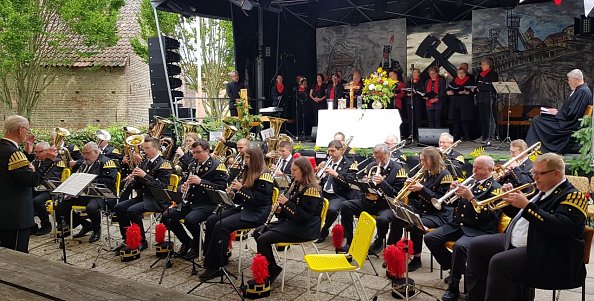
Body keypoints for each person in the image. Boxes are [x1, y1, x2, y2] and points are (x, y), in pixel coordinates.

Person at [465, 153, 587, 301]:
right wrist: (510, 202)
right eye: (533, 172)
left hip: (549, 252)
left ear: (556, 174)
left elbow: (559, 227)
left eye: (539, 173)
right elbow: (522, 215)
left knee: (500, 262)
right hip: (524, 241)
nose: (534, 177)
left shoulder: (574, 196)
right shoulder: (539, 190)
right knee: (476, 246)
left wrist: (527, 206)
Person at [424, 155, 502, 301]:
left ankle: (453, 287)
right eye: (474, 167)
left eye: (479, 168)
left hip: (479, 228)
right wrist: (452, 191)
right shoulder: (471, 182)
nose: (474, 170)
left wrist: (471, 197)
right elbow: (453, 205)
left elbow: (490, 216)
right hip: (459, 224)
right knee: (430, 238)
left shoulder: (496, 189)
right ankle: (457, 268)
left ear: (490, 169)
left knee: (460, 247)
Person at [200, 147, 274, 280]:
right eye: (245, 157)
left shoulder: (265, 175)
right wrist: (233, 193)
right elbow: (241, 198)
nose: (245, 160)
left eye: (247, 158)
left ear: (255, 158)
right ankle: (213, 257)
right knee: (212, 219)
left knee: (221, 226)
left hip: (257, 213)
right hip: (245, 208)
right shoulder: (248, 171)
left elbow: (260, 200)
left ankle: (216, 266)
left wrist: (242, 189)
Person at [254, 156, 324, 284]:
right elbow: (293, 212)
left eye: (294, 170)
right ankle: (271, 266)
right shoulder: (297, 184)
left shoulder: (312, 189)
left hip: (305, 228)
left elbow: (305, 217)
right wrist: (280, 210)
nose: (292, 173)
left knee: (263, 239)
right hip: (294, 222)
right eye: (291, 170)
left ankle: (270, 271)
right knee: (258, 232)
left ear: (304, 170)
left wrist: (286, 204)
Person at [161, 140, 228, 260]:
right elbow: (183, 181)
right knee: (167, 216)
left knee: (190, 220)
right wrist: (182, 187)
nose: (195, 155)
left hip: (208, 203)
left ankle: (198, 246)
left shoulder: (218, 166)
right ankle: (187, 242)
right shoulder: (193, 164)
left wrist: (201, 182)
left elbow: (221, 188)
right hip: (191, 201)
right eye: (193, 153)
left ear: (207, 151)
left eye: (198, 152)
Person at [390, 147, 454, 271]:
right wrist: (410, 188)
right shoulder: (426, 173)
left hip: (439, 215)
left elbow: (442, 202)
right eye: (420, 160)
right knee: (397, 217)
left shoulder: (445, 175)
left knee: (415, 224)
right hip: (425, 211)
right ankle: (392, 252)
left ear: (433, 160)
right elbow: (418, 196)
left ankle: (417, 258)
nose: (421, 163)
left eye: (423, 160)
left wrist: (422, 189)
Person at [0, 115, 58, 252]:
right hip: (15, 216)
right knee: (16, 254)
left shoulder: (5, 149)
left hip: (3, 213)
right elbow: (33, 180)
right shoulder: (13, 153)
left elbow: (12, 171)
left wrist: (27, 153)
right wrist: (49, 160)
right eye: (27, 129)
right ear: (20, 130)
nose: (28, 133)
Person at [340, 144, 406, 255]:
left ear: (388, 154)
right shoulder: (371, 166)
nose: (378, 161)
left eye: (381, 158)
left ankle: (379, 241)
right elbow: (362, 187)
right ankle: (349, 241)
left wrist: (383, 183)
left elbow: (397, 194)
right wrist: (364, 184)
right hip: (369, 201)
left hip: (386, 204)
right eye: (376, 158)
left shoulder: (398, 170)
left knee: (382, 219)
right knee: (346, 205)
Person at [114, 136, 173, 252]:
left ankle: (141, 241)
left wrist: (144, 176)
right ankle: (127, 238)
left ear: (156, 148)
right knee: (119, 207)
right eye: (143, 148)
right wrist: (131, 180)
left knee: (132, 210)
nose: (144, 151)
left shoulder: (164, 164)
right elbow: (139, 184)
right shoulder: (144, 163)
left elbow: (161, 187)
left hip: (157, 200)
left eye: (147, 148)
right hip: (144, 197)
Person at [59, 142, 118, 243]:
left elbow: (109, 181)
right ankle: (86, 224)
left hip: (101, 195)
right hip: (84, 194)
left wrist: (89, 180)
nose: (85, 156)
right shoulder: (83, 163)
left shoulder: (107, 162)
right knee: (61, 205)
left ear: (96, 152)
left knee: (91, 208)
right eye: (84, 153)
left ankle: (96, 230)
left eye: (87, 153)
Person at [526, 69, 592, 154]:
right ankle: (535, 147)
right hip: (566, 119)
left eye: (570, 80)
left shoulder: (583, 92)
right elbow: (572, 110)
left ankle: (538, 148)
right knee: (539, 118)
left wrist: (557, 113)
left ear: (576, 79)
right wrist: (557, 111)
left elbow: (572, 113)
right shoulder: (580, 90)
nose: (569, 82)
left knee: (537, 120)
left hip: (569, 124)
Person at [315, 140, 359, 243]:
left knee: (332, 210)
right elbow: (318, 180)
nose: (330, 154)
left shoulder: (350, 165)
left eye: (333, 151)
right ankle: (312, 229)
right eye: (329, 151)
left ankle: (324, 230)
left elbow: (350, 184)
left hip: (339, 195)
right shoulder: (326, 163)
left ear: (341, 151)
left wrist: (336, 175)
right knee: (310, 203)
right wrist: (318, 172)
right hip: (324, 192)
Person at [31, 141, 65, 236]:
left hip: (50, 190)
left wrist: (35, 172)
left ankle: (46, 225)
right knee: (24, 197)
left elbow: (52, 178)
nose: (37, 155)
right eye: (35, 152)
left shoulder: (57, 161)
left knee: (37, 201)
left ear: (47, 151)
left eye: (39, 152)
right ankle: (31, 225)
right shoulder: (35, 161)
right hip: (37, 188)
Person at [447, 68, 476, 141]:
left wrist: (467, 92)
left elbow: (474, 91)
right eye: (459, 73)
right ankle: (456, 135)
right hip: (455, 102)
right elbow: (448, 89)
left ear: (465, 73)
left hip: (465, 103)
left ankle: (466, 135)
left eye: (462, 73)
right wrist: (448, 93)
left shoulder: (470, 81)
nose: (461, 75)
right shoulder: (454, 81)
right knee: (455, 120)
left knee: (465, 119)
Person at [475, 58, 499, 144]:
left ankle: (490, 136)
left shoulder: (493, 74)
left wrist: (481, 87)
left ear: (488, 65)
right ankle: (483, 135)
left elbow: (492, 86)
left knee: (489, 118)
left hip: (489, 98)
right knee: (482, 118)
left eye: (483, 64)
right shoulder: (480, 74)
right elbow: (477, 84)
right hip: (480, 98)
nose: (481, 66)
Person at [407, 68, 425, 141]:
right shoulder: (409, 82)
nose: (413, 74)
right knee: (410, 119)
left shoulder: (421, 81)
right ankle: (411, 133)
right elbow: (407, 89)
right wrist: (408, 93)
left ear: (419, 74)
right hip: (410, 101)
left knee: (418, 119)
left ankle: (418, 134)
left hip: (418, 102)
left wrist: (415, 92)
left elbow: (422, 90)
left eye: (415, 73)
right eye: (413, 73)